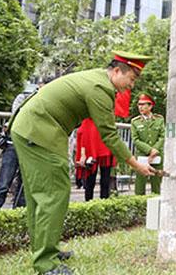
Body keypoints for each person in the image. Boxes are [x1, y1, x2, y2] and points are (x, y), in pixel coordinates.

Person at [10, 51, 159, 275]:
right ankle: (46, 262)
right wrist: (136, 165)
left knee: (38, 195)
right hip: (39, 131)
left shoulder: (97, 79)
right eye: (132, 78)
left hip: (31, 128)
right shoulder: (101, 88)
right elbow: (108, 134)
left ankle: (44, 249)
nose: (132, 85)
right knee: (54, 194)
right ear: (117, 71)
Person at [131, 93, 165, 195]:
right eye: (139, 105)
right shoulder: (135, 122)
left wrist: (155, 149)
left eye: (143, 104)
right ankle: (139, 208)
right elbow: (135, 139)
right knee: (140, 186)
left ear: (150, 106)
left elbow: (162, 136)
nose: (140, 107)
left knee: (156, 185)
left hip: (157, 156)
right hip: (142, 156)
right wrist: (150, 150)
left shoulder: (159, 120)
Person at [75, 118, 116, 201]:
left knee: (105, 180)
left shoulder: (105, 118)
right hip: (91, 153)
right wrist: (83, 154)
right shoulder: (87, 120)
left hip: (104, 150)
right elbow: (82, 137)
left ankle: (102, 202)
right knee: (90, 181)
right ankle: (90, 203)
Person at [0, 123, 25, 210]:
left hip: (27, 148)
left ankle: (18, 213)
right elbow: (7, 126)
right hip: (12, 146)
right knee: (3, 184)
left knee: (23, 185)